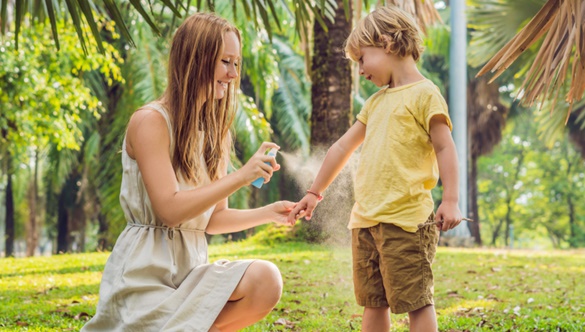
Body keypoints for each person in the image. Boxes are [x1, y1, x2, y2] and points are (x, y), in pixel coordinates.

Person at [82, 12, 295, 332]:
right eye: (226, 61)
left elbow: (212, 221)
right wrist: (241, 176)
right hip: (144, 277)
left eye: (237, 63)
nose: (233, 74)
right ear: (196, 59)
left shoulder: (215, 132)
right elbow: (169, 210)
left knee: (266, 280)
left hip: (190, 275)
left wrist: (270, 213)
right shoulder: (150, 122)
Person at [287, 6, 463, 332]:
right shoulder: (375, 103)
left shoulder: (425, 95)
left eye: (362, 59)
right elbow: (341, 147)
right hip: (366, 220)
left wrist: (450, 199)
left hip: (406, 220)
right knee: (372, 301)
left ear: (387, 43)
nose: (360, 71)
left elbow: (444, 147)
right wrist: (314, 191)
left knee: (417, 301)